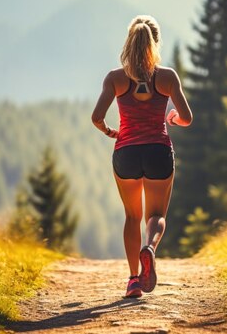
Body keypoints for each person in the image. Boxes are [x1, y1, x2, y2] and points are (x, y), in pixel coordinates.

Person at [91, 15, 192, 298]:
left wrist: (111, 130)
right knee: (156, 215)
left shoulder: (115, 78)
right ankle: (150, 247)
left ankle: (134, 280)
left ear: (129, 41)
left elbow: (96, 117)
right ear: (155, 43)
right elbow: (187, 117)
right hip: (158, 151)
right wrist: (172, 119)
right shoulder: (167, 77)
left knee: (132, 215)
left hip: (126, 153)